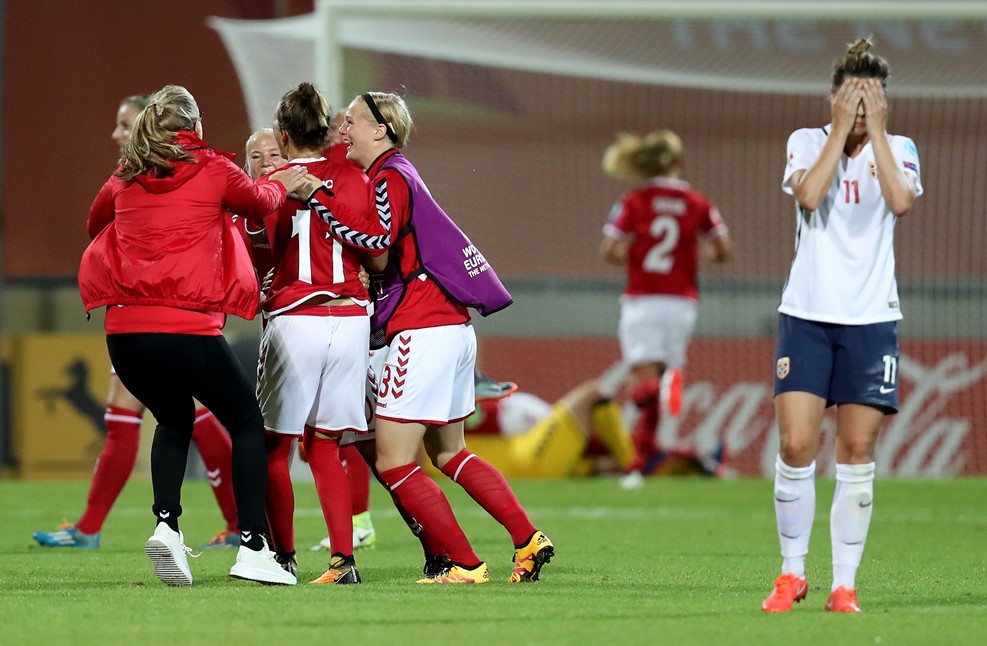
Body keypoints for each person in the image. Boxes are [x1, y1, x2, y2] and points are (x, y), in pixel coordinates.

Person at [78, 84, 314, 586]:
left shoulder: (125, 175)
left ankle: (166, 528)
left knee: (172, 418)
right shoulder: (214, 168)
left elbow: (95, 224)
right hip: (186, 325)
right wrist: (280, 180)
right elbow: (259, 203)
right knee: (246, 422)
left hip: (125, 333)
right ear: (196, 126)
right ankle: (253, 547)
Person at [338, 91, 553, 584]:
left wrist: (320, 200)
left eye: (351, 122)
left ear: (380, 130)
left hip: (421, 329)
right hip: (450, 326)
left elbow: (377, 246)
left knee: (393, 461)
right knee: (449, 454)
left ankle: (464, 563)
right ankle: (527, 539)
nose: (343, 130)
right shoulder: (399, 173)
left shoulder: (389, 176)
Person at [34, 94, 241, 551]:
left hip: (168, 315)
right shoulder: (136, 178)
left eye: (126, 125)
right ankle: (95, 526)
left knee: (194, 419)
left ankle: (234, 524)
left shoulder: (154, 178)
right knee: (149, 417)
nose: (117, 134)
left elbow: (97, 226)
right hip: (155, 315)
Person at [761, 39, 922, 614]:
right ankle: (792, 574)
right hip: (806, 315)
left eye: (869, 99)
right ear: (832, 97)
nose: (858, 109)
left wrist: (875, 129)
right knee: (796, 444)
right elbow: (809, 194)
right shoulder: (806, 141)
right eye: (850, 98)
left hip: (872, 320)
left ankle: (844, 586)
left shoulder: (899, 148)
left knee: (856, 450)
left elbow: (900, 202)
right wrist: (838, 130)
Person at [252, 83, 388, 585]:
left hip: (297, 317)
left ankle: (283, 557)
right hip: (350, 319)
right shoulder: (354, 174)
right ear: (328, 129)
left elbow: (261, 255)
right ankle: (342, 561)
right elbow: (375, 250)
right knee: (327, 443)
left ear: (283, 136)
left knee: (274, 445)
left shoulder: (273, 184)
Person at [600, 128, 733, 489]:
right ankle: (643, 461)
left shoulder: (634, 201)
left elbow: (610, 248)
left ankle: (639, 460)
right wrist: (707, 253)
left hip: (643, 299)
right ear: (679, 162)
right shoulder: (698, 202)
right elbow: (723, 248)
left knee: (643, 385)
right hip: (682, 303)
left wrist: (632, 253)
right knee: (660, 380)